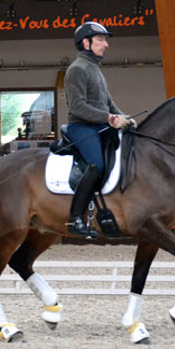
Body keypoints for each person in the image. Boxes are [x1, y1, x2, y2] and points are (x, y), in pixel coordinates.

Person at [64, 21, 134, 237]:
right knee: (96, 165)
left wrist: (125, 118)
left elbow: (108, 103)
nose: (106, 45)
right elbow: (78, 106)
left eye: (105, 40)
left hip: (99, 126)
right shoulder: (77, 70)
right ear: (86, 43)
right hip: (81, 127)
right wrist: (110, 118)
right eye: (101, 39)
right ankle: (75, 218)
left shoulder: (95, 69)